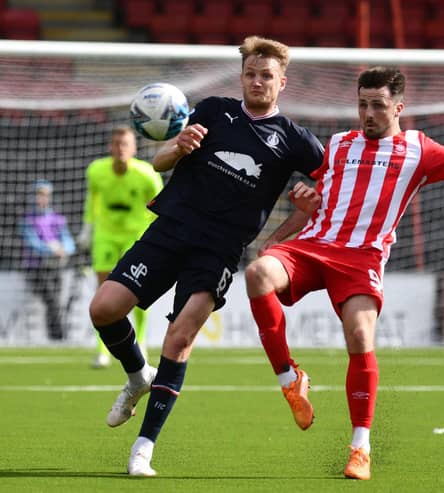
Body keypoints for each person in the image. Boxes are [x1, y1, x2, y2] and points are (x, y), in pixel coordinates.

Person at [245, 66, 444, 481]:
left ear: (398, 108)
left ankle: (360, 449)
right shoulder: (337, 145)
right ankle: (289, 378)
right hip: (313, 246)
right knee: (257, 273)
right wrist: (281, 234)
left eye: (377, 105)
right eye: (362, 104)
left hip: (362, 259)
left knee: (359, 335)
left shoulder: (418, 150)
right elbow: (318, 203)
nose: (368, 113)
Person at [88, 35, 324, 476]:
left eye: (266, 76)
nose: (257, 82)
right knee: (103, 308)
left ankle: (143, 449)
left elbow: (332, 190)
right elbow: (159, 162)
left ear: (282, 82)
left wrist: (294, 223)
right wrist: (179, 145)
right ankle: (138, 375)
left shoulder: (295, 140)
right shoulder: (213, 110)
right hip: (170, 229)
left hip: (218, 250)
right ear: (241, 77)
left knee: (180, 337)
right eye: (251, 74)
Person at [77, 126, 163, 369]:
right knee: (103, 290)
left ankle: (142, 343)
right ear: (110, 147)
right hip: (105, 235)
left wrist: (154, 234)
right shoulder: (96, 170)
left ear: (134, 148)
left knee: (137, 292)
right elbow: (92, 199)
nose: (120, 148)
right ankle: (102, 350)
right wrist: (87, 228)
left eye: (125, 143)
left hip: (135, 237)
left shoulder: (147, 174)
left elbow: (160, 205)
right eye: (116, 143)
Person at [20, 179, 75, 341]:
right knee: (53, 301)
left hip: (55, 267)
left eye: (45, 195)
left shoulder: (57, 219)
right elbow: (32, 243)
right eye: (39, 195)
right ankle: (59, 338)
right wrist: (51, 248)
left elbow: (68, 242)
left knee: (56, 302)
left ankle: (56, 337)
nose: (41, 199)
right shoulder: (28, 220)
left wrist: (63, 248)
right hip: (36, 268)